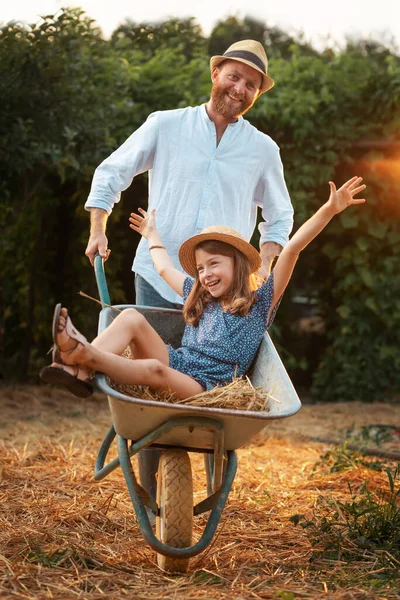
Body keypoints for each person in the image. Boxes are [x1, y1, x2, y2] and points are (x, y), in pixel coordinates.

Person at [40, 177, 365, 399]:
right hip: (178, 364)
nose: (205, 274)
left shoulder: (259, 302)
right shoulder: (199, 296)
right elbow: (164, 266)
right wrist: (152, 236)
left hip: (207, 387)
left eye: (214, 264)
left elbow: (292, 249)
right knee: (130, 318)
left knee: (154, 369)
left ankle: (83, 354)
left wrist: (329, 210)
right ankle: (80, 371)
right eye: (200, 268)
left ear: (238, 263)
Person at [84, 39, 294, 308]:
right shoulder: (165, 125)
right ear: (215, 74)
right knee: (151, 352)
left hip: (222, 291)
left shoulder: (263, 150)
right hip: (156, 278)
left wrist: (264, 266)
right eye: (234, 76)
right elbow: (111, 173)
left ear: (257, 94)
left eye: (251, 85)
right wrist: (97, 230)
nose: (240, 88)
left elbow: (280, 216)